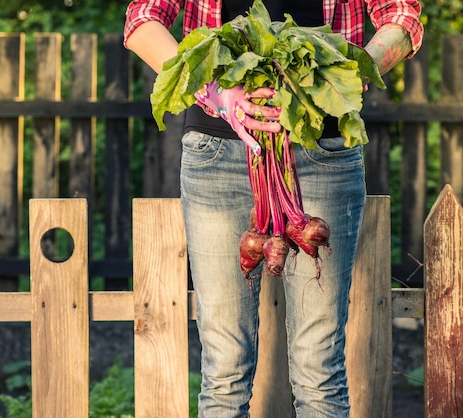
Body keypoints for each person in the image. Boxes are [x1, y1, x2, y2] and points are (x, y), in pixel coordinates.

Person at [124, 0, 423, 416]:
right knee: (225, 371)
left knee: (320, 369)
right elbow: (141, 19)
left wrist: (347, 73)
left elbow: (402, 17)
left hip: (323, 150)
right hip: (218, 152)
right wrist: (210, 87)